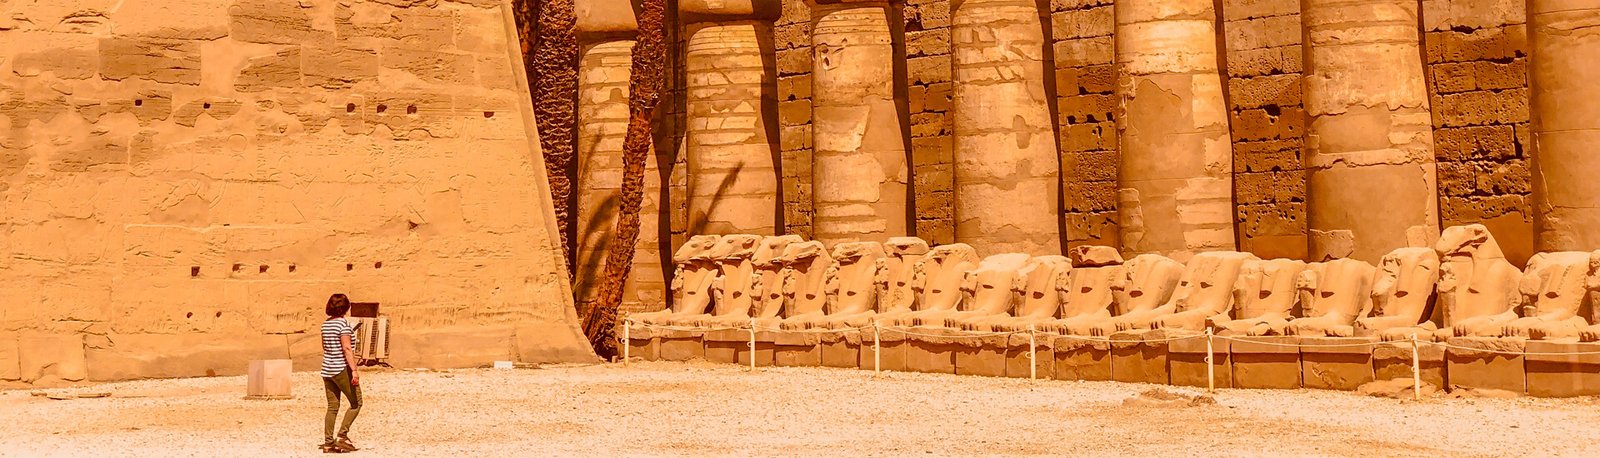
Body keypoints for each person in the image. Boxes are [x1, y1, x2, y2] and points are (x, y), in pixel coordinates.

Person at [320, 294, 362, 453]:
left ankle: (328, 443)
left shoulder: (325, 325)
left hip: (327, 369)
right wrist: (354, 370)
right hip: (341, 369)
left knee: (332, 407)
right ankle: (342, 435)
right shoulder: (343, 324)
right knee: (356, 403)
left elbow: (325, 347)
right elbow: (347, 349)